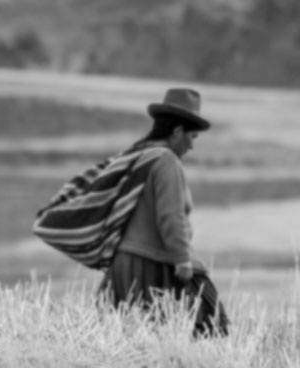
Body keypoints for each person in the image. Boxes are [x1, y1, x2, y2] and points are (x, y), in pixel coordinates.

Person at [99, 88, 229, 338]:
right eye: (192, 136)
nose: (192, 144)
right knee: (211, 326)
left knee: (131, 339)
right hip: (151, 262)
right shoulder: (166, 161)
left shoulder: (138, 156)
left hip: (122, 265)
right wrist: (182, 258)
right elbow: (171, 215)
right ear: (177, 131)